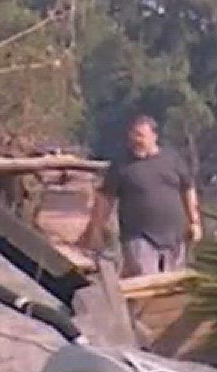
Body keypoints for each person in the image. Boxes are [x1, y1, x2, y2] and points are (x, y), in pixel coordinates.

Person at [80, 114, 202, 277]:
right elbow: (105, 199)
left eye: (140, 135)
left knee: (173, 288)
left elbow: (188, 189)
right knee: (144, 281)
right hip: (139, 238)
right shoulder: (121, 165)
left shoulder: (172, 160)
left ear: (154, 136)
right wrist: (95, 229)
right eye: (133, 136)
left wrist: (194, 222)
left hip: (174, 238)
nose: (135, 140)